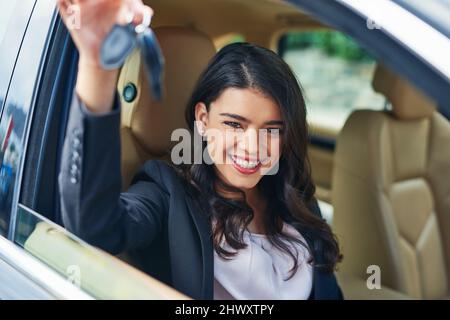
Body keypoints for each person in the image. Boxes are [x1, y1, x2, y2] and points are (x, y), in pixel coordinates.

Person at [57, 0, 343, 299]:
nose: (252, 147)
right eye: (234, 124)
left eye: (271, 130)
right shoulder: (167, 193)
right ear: (203, 120)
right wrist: (97, 66)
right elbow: (94, 228)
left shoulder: (295, 196)